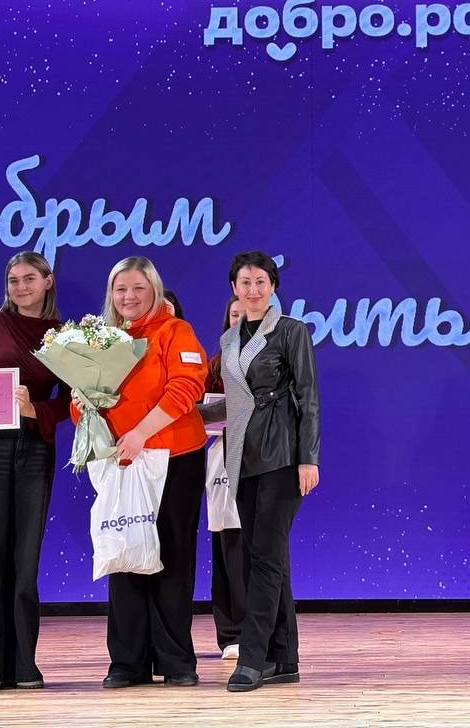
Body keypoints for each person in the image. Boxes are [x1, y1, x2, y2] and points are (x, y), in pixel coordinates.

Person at [72, 256, 207, 689]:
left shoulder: (175, 331)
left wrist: (141, 434)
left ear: (155, 291)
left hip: (174, 458)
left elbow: (186, 387)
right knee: (124, 550)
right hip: (122, 461)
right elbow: (85, 408)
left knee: (171, 555)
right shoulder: (101, 340)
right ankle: (127, 662)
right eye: (121, 289)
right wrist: (83, 405)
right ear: (111, 295)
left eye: (138, 289)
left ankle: (176, 660)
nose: (129, 297)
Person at [0, 251, 70, 694]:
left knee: (24, 561)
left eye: (29, 279)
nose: (20, 287)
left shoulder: (64, 336)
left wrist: (34, 409)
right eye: (14, 280)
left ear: (47, 281)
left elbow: (71, 401)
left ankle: (22, 664)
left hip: (34, 449)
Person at [219, 251, 320, 692]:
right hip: (242, 456)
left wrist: (308, 458)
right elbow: (234, 402)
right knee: (268, 557)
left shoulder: (292, 331)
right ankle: (285, 658)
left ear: (273, 286)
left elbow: (309, 397)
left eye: (261, 281)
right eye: (245, 282)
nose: (253, 289)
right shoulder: (229, 339)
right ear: (234, 288)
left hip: (282, 454)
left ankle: (252, 658)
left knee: (262, 557)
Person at [205, 296, 247, 660]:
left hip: (262, 459)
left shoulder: (276, 359)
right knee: (224, 545)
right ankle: (231, 632)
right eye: (234, 314)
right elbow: (199, 409)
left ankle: (259, 630)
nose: (240, 319)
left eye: (246, 314)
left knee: (254, 547)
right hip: (222, 459)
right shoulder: (215, 364)